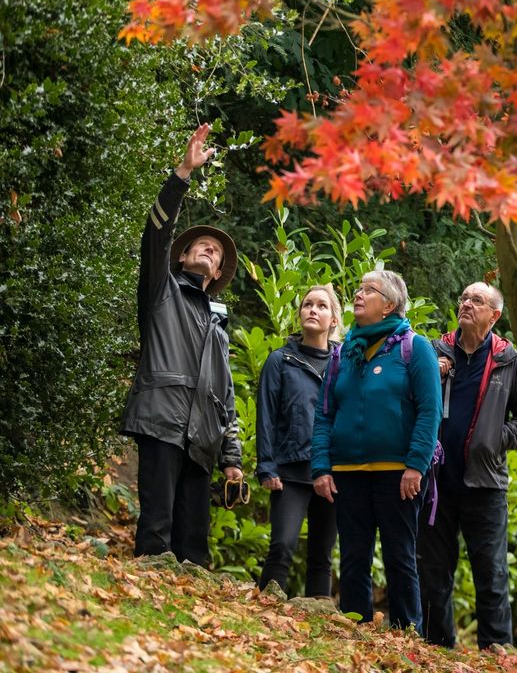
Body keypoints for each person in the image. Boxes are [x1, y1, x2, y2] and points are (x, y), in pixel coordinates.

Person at [121, 124, 243, 567]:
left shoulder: (218, 325)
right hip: (162, 422)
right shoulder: (162, 291)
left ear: (215, 274)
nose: (209, 251)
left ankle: (188, 629)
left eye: (216, 252)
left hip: (203, 441)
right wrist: (181, 175)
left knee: (194, 547)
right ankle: (143, 608)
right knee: (156, 533)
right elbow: (154, 234)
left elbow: (226, 398)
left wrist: (231, 457)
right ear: (182, 256)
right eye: (201, 246)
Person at [311, 270, 441, 630]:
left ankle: (406, 632)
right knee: (353, 556)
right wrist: (321, 467)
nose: (358, 294)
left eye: (369, 290)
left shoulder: (415, 348)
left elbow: (430, 411)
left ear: (389, 305)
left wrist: (416, 465)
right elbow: (324, 415)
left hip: (398, 474)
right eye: (359, 288)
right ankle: (356, 628)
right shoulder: (343, 355)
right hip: (348, 474)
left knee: (400, 556)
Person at [419, 281, 517, 649]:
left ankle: (496, 652)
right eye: (463, 298)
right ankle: (435, 647)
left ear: (495, 314)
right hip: (437, 483)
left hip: (485, 484)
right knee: (433, 570)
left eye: (477, 300)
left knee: (491, 573)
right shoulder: (435, 351)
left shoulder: (509, 358)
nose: (466, 304)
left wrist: (494, 439)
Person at [255, 284, 342, 597]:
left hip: (331, 472)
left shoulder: (344, 364)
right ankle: (263, 611)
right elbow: (266, 416)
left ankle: (317, 620)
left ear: (333, 319)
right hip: (290, 470)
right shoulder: (281, 361)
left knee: (322, 556)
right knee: (282, 545)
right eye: (307, 305)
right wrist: (267, 466)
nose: (313, 310)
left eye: (321, 306)